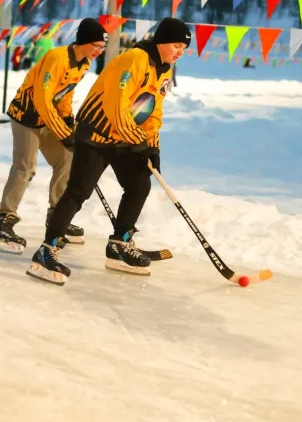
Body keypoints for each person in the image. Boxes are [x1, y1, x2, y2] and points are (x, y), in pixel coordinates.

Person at [28, 17, 191, 286]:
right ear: (161, 42)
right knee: (79, 191)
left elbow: (153, 110)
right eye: (176, 45)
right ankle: (47, 249)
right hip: (95, 134)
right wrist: (137, 141)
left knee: (139, 185)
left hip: (122, 136)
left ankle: (119, 244)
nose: (179, 52)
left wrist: (152, 147)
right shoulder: (135, 60)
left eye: (183, 49)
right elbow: (116, 106)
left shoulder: (162, 69)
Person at [0, 18, 106, 254]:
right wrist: (62, 131)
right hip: (27, 116)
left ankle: (56, 217)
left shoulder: (83, 64)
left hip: (48, 117)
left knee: (67, 160)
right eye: (97, 46)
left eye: (101, 48)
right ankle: (4, 221)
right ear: (83, 42)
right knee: (26, 166)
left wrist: (69, 123)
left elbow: (65, 95)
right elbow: (42, 99)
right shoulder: (56, 57)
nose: (99, 51)